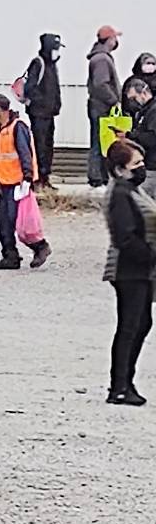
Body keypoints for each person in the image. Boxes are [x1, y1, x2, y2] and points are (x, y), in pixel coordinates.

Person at [102, 139, 156, 406]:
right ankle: (119, 386)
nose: (141, 168)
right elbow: (125, 235)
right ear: (120, 168)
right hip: (128, 268)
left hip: (141, 268)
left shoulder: (133, 190)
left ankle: (126, 382)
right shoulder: (120, 193)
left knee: (142, 323)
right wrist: (149, 254)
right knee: (130, 326)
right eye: (136, 164)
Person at [0, 94, 51, 270]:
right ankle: (10, 256)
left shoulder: (17, 127)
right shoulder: (2, 129)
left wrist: (28, 178)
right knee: (3, 222)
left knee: (20, 222)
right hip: (4, 181)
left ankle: (40, 247)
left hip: (17, 183)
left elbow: (25, 153)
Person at [21, 33, 63, 188]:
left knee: (48, 146)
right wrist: (42, 103)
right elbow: (30, 88)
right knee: (39, 145)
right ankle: (37, 177)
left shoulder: (52, 66)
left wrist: (56, 105)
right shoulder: (38, 63)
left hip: (49, 113)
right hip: (39, 113)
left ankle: (45, 177)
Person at [87, 26, 122, 187]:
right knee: (100, 143)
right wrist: (114, 100)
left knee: (101, 142)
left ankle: (100, 177)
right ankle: (97, 178)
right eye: (114, 38)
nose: (116, 42)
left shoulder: (100, 57)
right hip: (101, 108)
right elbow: (101, 84)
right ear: (109, 40)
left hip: (98, 107)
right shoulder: (102, 59)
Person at [122, 77, 156, 197]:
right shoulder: (145, 111)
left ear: (144, 93)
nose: (133, 102)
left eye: (134, 98)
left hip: (153, 165)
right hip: (148, 164)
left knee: (142, 200)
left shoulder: (153, 111)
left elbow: (152, 138)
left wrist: (131, 136)